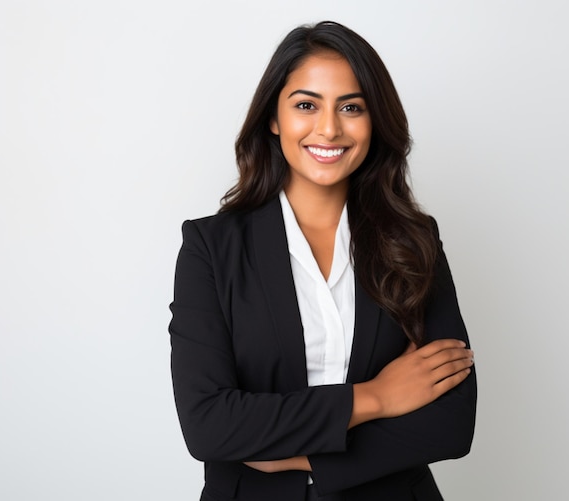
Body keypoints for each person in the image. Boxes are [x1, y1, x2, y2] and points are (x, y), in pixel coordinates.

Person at [169, 21, 476, 501]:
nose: (329, 128)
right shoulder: (212, 248)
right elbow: (209, 426)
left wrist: (297, 455)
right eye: (306, 105)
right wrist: (376, 398)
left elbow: (452, 424)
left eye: (351, 107)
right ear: (274, 117)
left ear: (375, 122)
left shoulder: (414, 241)